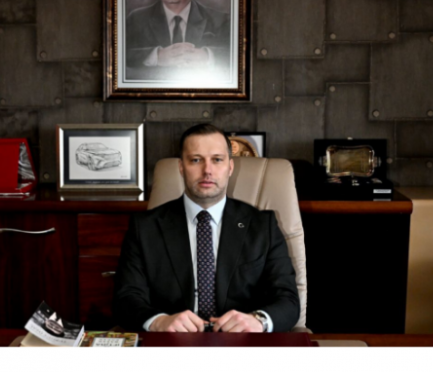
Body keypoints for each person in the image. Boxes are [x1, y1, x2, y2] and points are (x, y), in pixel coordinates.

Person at [113, 124, 300, 332]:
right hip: (174, 342)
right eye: (196, 160)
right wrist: (158, 321)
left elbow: (288, 299)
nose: (207, 170)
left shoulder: (263, 226)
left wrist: (258, 321)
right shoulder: (145, 228)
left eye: (217, 160)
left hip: (241, 342)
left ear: (230, 167)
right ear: (181, 167)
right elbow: (126, 298)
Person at [125, 0, 231, 70]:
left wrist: (207, 56)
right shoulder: (136, 20)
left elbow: (235, 53)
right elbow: (120, 53)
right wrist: (156, 56)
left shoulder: (221, 21)